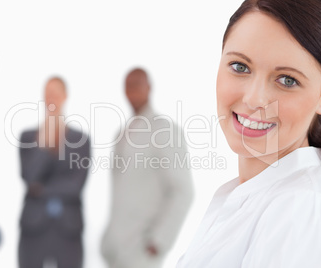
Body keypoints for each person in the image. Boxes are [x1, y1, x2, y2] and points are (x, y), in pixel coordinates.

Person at [177, 0, 321, 267]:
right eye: (240, 67)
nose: (254, 99)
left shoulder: (302, 210)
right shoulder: (248, 196)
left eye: (287, 80)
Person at [101, 68, 194, 268]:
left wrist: (159, 240)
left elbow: (183, 190)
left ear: (149, 87)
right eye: (127, 86)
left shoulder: (164, 130)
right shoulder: (122, 133)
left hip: (143, 249)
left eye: (136, 84)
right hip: (115, 249)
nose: (131, 91)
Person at [18, 77, 90, 268]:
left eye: (56, 94)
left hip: (69, 229)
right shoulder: (28, 137)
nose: (52, 99)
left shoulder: (81, 140)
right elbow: (29, 177)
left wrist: (40, 190)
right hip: (34, 228)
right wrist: (44, 142)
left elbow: (75, 186)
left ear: (65, 96)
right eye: (48, 94)